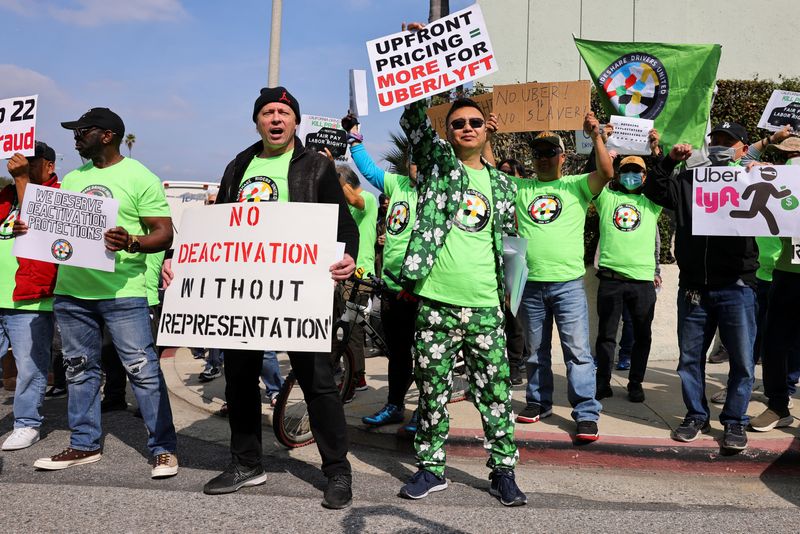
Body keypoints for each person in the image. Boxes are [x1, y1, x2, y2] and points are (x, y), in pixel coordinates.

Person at [196, 87, 359, 510]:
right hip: (243, 294)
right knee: (239, 380)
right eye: (267, 111)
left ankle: (337, 471)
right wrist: (183, 261)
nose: (275, 118)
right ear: (257, 121)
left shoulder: (316, 168)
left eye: (283, 112)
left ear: (295, 122)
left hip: (299, 294)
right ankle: (246, 463)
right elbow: (216, 227)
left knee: (318, 383)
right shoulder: (238, 165)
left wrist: (348, 259)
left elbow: (347, 228)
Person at [28, 108, 179, 477]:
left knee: (142, 371)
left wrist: (132, 241)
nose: (75, 137)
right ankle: (83, 444)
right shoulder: (73, 178)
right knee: (79, 371)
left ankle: (164, 449)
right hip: (72, 292)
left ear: (108, 135)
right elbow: (54, 230)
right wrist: (28, 229)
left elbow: (165, 232)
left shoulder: (140, 176)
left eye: (82, 131)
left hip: (122, 292)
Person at [396, 88, 526, 506]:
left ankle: (503, 472)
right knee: (432, 390)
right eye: (457, 123)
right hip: (436, 303)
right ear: (448, 132)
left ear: (486, 129)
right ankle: (431, 469)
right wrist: (421, 73)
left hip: (487, 306)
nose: (466, 128)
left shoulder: (504, 185)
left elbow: (509, 243)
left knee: (495, 394)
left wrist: (511, 293)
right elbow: (414, 124)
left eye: (473, 122)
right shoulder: (439, 169)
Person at [643, 122, 757, 451]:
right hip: (695, 288)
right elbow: (655, 192)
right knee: (690, 358)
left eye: (728, 141)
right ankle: (696, 414)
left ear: (742, 147)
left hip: (737, 286)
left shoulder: (752, 177)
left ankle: (735, 420)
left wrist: (762, 174)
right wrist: (668, 161)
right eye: (716, 140)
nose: (720, 145)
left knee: (742, 361)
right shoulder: (691, 180)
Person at [514, 119, 613, 443]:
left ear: (562, 156)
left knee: (578, 351)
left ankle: (586, 412)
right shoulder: (521, 188)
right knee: (535, 350)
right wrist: (487, 133)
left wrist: (596, 136)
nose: (543, 158)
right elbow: (487, 172)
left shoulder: (577, 185)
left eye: (550, 152)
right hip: (530, 285)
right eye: (538, 153)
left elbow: (608, 173)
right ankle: (538, 402)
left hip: (568, 285)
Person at [342, 114, 419, 431]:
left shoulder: (442, 191)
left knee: (427, 358)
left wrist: (415, 284)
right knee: (398, 354)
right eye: (413, 160)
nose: (417, 166)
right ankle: (395, 406)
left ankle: (426, 413)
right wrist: (355, 137)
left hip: (423, 290)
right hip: (390, 287)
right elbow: (370, 170)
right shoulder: (397, 183)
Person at [0, 142, 59, 451]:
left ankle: (27, 423)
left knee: (29, 365)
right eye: (16, 157)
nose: (19, 162)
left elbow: (40, 232)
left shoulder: (57, 194)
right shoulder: (6, 195)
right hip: (1, 294)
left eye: (30, 160)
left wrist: (23, 180)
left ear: (48, 165)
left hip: (29, 297)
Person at [593, 156, 662, 403]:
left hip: (643, 281)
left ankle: (636, 383)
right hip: (611, 279)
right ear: (618, 174)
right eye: (626, 171)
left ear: (645, 177)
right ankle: (602, 382)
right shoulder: (607, 198)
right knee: (606, 335)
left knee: (643, 335)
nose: (630, 175)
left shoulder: (652, 203)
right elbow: (597, 174)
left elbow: (664, 180)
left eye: (637, 171)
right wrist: (602, 148)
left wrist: (658, 153)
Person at [336, 164, 377, 394]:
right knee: (339, 327)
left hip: (360, 274)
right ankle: (343, 371)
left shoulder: (367, 198)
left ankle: (356, 378)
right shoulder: (344, 205)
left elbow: (354, 200)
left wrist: (334, 176)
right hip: (342, 272)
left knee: (352, 329)